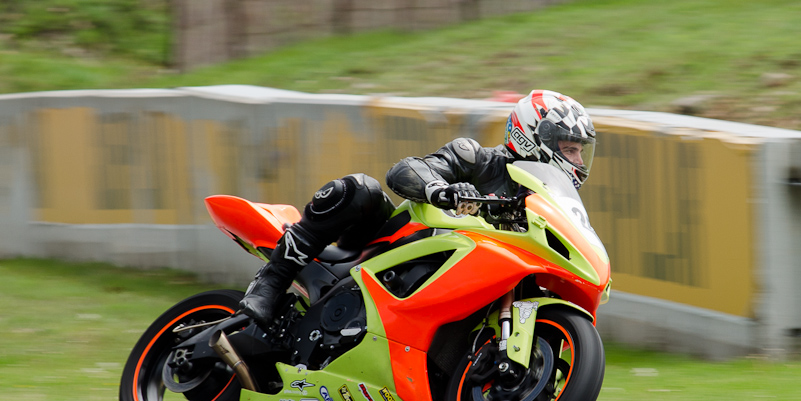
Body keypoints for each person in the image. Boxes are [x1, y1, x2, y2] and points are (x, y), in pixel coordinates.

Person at [238, 89, 596, 325]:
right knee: (360, 189)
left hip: (469, 283)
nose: (578, 161)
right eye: (570, 149)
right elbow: (405, 170)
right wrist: (441, 191)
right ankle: (271, 282)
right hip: (396, 248)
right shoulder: (476, 158)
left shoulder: (544, 200)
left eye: (580, 151)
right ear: (532, 137)